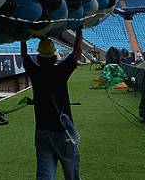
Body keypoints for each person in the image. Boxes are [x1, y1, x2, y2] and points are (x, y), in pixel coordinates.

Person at [20, 28, 83, 180]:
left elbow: (24, 56)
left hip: (42, 132)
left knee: (45, 175)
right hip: (63, 133)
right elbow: (77, 52)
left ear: (38, 57)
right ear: (55, 55)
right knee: (72, 174)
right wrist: (79, 30)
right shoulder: (61, 71)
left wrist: (22, 34)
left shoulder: (34, 72)